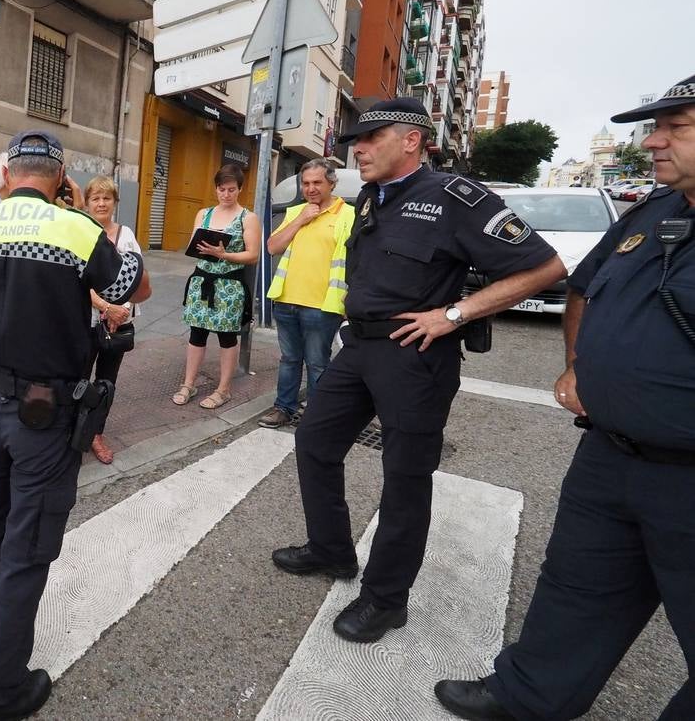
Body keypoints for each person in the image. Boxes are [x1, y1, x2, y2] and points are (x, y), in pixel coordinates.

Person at [434, 77, 695, 721]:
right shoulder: (655, 212)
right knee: (576, 589)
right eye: (654, 126)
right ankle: (529, 696)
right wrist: (577, 368)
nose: (654, 141)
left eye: (678, 127)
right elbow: (583, 287)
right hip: (610, 456)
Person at [270, 97, 564, 644]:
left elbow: (545, 267)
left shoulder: (456, 197)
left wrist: (454, 314)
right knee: (313, 439)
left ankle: (385, 600)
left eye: (369, 138)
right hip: (358, 346)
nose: (356, 149)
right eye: (354, 141)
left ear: (411, 140)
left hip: (414, 356)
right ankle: (331, 550)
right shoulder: (370, 199)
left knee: (405, 477)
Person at [0, 131, 150, 721]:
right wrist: (76, 211)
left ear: (7, 174)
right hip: (45, 413)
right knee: (26, 547)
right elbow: (129, 286)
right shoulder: (77, 228)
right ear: (59, 177)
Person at [258, 160, 355, 429]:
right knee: (289, 359)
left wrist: (350, 301)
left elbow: (356, 260)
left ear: (331, 183)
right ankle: (284, 408)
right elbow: (272, 246)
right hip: (286, 300)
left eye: (317, 183)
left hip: (322, 306)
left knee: (318, 363)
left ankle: (317, 414)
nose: (310, 188)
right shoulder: (296, 212)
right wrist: (301, 218)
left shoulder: (347, 214)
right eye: (306, 183)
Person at [174, 163, 262, 410]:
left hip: (229, 286)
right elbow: (193, 242)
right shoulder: (204, 214)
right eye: (222, 189)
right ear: (216, 189)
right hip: (202, 280)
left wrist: (224, 254)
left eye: (231, 189)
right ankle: (188, 383)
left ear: (240, 190)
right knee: (196, 333)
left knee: (227, 337)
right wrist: (203, 246)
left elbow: (253, 255)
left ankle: (223, 389)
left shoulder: (248, 218)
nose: (226, 194)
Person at [83, 175, 142, 465]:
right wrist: (107, 307)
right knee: (78, 378)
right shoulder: (80, 232)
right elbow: (78, 280)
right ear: (87, 203)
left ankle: (95, 433)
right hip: (86, 319)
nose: (102, 203)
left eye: (107, 198)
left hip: (119, 320)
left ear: (115, 202)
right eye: (96, 198)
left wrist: (122, 310)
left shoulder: (126, 235)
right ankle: (73, 431)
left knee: (107, 381)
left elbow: (137, 276)